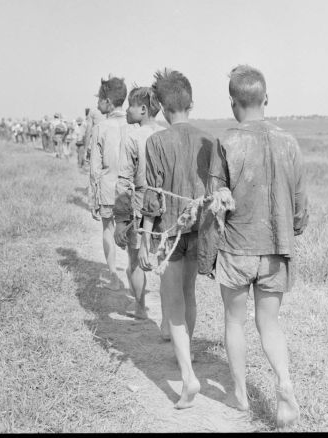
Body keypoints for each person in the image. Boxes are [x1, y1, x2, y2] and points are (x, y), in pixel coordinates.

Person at [198, 65, 308, 429]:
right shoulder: (290, 142)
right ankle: (285, 384)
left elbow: (215, 206)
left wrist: (206, 257)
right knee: (269, 323)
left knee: (234, 322)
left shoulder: (225, 142)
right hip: (277, 251)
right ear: (266, 99)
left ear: (233, 103)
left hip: (236, 250)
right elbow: (300, 215)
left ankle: (241, 395)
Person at [138, 69, 214, 409]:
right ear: (190, 102)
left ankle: (187, 377)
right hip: (199, 229)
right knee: (189, 294)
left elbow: (152, 199)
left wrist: (144, 239)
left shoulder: (156, 142)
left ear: (163, 108)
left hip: (169, 233)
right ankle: (189, 352)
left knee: (174, 305)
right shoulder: (208, 141)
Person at [114, 87, 165, 321]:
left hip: (139, 202)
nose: (127, 109)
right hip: (164, 203)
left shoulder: (132, 137)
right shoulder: (165, 133)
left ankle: (140, 307)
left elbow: (124, 181)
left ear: (143, 109)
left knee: (134, 260)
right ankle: (169, 316)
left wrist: (120, 220)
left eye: (131, 105)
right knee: (166, 261)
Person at [89, 77, 129, 291]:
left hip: (107, 187)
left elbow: (95, 167)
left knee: (108, 229)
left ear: (108, 101)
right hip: (130, 190)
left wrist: (92, 196)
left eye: (100, 99)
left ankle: (113, 273)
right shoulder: (134, 125)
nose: (97, 103)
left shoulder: (100, 127)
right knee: (132, 231)